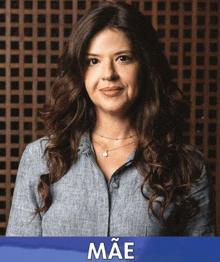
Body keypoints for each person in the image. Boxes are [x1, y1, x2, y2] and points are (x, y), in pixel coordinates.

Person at [6, 1, 216, 236]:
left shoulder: (187, 166)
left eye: (123, 58)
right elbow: (20, 258)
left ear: (145, 65)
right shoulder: (40, 158)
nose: (108, 74)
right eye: (93, 61)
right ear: (80, 71)